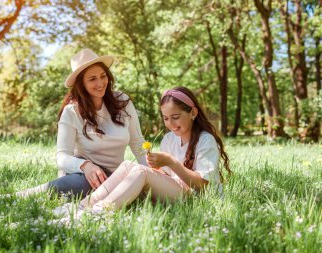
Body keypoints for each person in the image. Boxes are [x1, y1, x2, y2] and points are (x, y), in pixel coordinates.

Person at [57, 86, 231, 216]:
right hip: (176, 190)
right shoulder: (170, 138)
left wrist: (170, 162)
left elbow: (201, 184)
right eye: (166, 118)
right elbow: (166, 177)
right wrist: (156, 168)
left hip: (196, 197)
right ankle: (82, 206)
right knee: (127, 165)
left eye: (176, 117)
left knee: (140, 171)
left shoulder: (205, 140)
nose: (170, 123)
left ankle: (99, 212)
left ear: (193, 113)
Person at [16, 48, 147, 198]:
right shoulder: (71, 112)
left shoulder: (122, 102)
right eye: (92, 79)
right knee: (80, 185)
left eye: (103, 76)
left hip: (116, 175)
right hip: (83, 175)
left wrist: (152, 172)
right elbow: (62, 157)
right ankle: (22, 195)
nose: (100, 83)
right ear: (81, 84)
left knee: (138, 184)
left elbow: (137, 143)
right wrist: (85, 166)